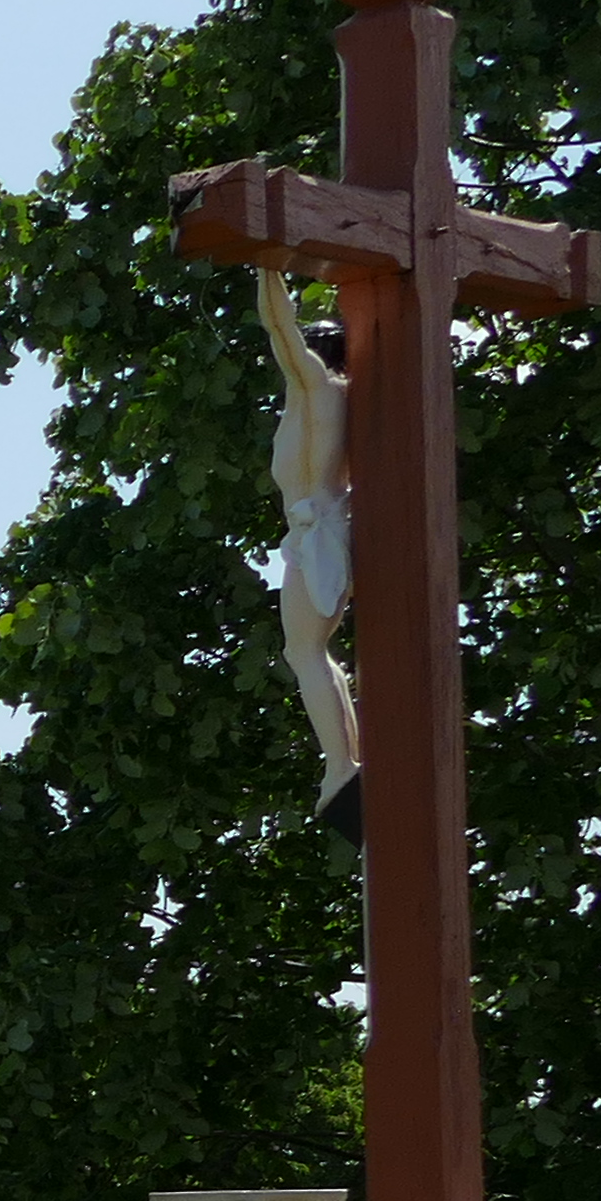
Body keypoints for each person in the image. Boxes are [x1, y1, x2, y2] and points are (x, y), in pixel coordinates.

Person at [259, 268, 362, 840]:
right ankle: (344, 761)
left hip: (320, 531)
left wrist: (266, 265)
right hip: (312, 536)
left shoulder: (318, 391)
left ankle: (341, 765)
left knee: (303, 650)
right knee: (311, 652)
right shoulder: (315, 403)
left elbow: (280, 326)